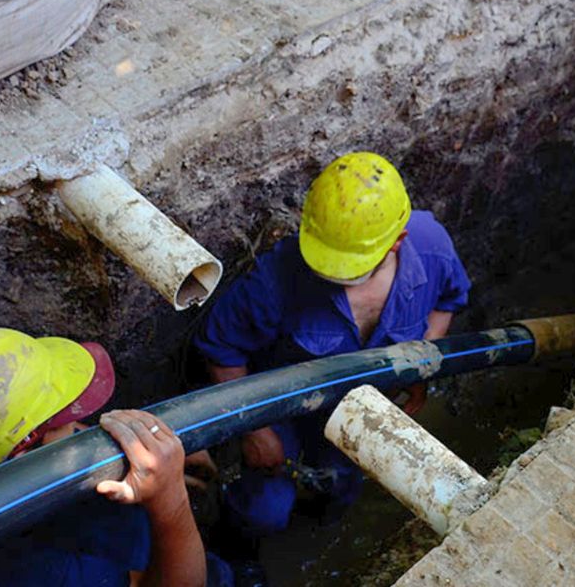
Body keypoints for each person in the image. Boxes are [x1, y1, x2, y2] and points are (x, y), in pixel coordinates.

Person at [195, 152, 471, 574]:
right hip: (284, 409)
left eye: (347, 267)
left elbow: (448, 299)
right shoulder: (278, 277)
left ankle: (326, 519)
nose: (331, 275)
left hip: (366, 409)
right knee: (265, 510)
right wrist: (256, 430)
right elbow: (221, 346)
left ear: (396, 241)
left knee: (343, 488)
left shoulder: (431, 246)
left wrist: (420, 364)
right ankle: (238, 554)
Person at [0, 327, 232, 587]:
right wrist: (170, 500)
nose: (80, 423)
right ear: (28, 453)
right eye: (65, 418)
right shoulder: (30, 572)